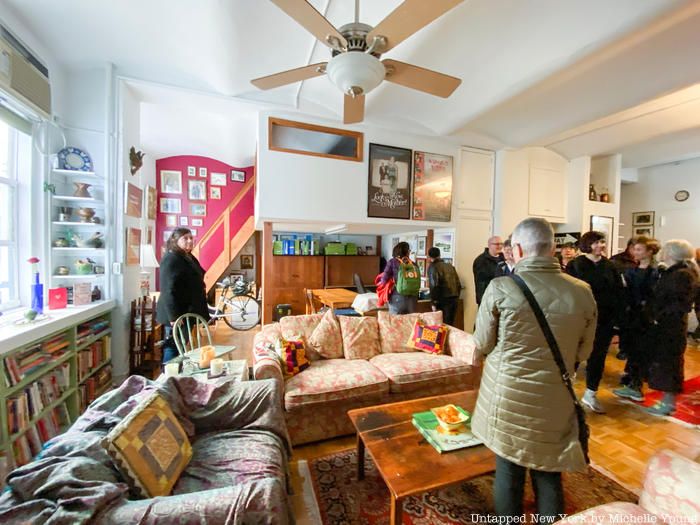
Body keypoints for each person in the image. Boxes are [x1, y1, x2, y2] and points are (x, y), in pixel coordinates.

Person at [472, 218, 596, 520]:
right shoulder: (582, 291)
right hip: (555, 395)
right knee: (549, 470)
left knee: (508, 470)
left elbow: (483, 342)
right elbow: (584, 350)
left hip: (508, 395)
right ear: (553, 247)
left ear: (517, 248)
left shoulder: (500, 287)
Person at [566, 231, 624, 413]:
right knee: (573, 356)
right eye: (598, 242)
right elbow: (569, 292)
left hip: (604, 320)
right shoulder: (576, 265)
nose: (602, 245)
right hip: (579, 320)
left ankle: (591, 394)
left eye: (603, 241)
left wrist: (617, 319)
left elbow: (618, 293)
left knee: (597, 357)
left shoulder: (610, 266)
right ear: (588, 244)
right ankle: (567, 393)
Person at [644, 240, 699, 415]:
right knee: (666, 360)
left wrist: (658, 316)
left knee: (669, 362)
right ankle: (667, 400)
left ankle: (668, 403)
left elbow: (676, 303)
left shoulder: (682, 274)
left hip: (671, 325)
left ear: (672, 254)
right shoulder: (675, 272)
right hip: (667, 323)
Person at [613, 237, 660, 401]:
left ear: (649, 251)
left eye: (639, 249)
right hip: (632, 317)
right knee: (633, 350)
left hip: (646, 318)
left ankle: (636, 385)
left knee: (641, 351)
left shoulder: (656, 272)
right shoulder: (632, 270)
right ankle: (633, 381)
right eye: (635, 249)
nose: (635, 252)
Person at [156, 228, 210, 363]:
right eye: (185, 238)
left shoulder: (187, 257)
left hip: (186, 311)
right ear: (175, 241)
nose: (190, 241)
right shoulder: (171, 259)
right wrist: (174, 317)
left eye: (191, 238)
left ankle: (177, 376)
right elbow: (168, 290)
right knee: (173, 346)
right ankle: (167, 376)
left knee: (181, 345)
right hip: (177, 314)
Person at [380, 241, 419, 314]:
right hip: (412, 298)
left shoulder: (392, 262)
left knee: (395, 322)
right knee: (411, 321)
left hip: (397, 296)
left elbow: (383, 280)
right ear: (407, 252)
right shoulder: (413, 264)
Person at [427, 247, 461, 325]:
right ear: (439, 255)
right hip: (454, 299)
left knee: (441, 326)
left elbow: (434, 285)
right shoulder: (450, 266)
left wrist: (433, 303)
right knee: (450, 325)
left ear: (429, 256)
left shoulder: (432, 267)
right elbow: (458, 284)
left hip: (442, 300)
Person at [472, 236, 504, 305]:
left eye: (501, 244)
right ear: (489, 245)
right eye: (497, 244)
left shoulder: (504, 258)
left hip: (502, 298)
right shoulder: (481, 261)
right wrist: (483, 301)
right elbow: (481, 284)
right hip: (487, 299)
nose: (500, 246)